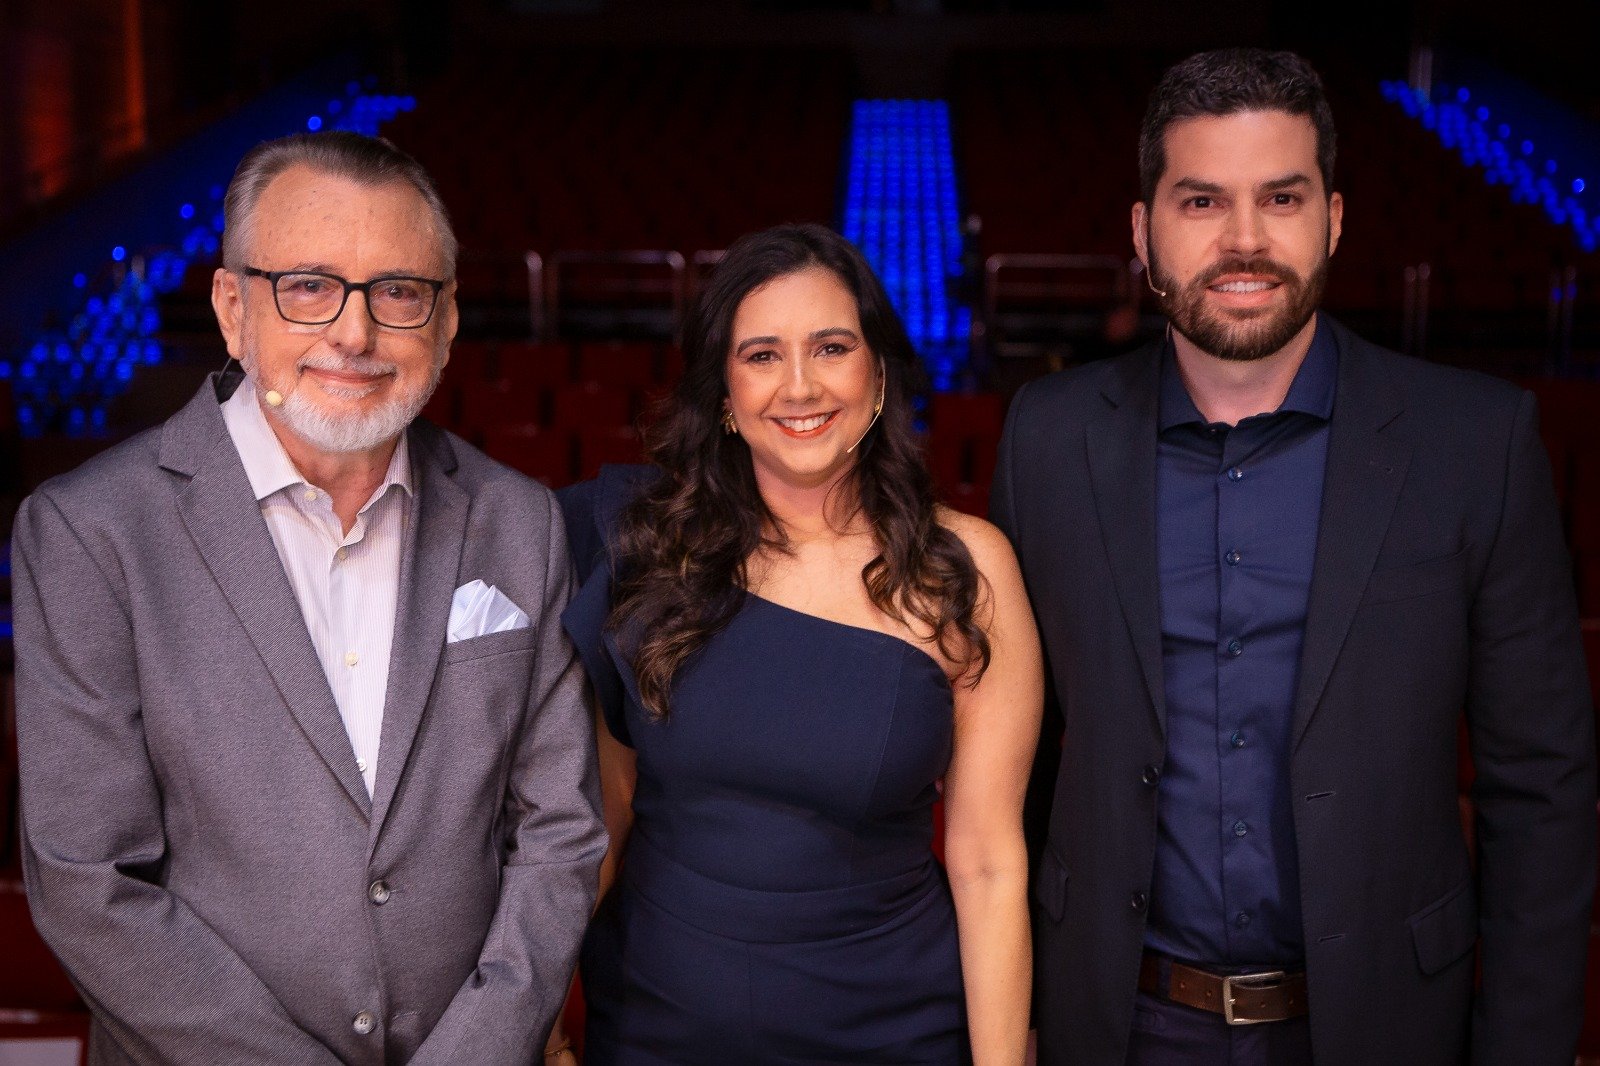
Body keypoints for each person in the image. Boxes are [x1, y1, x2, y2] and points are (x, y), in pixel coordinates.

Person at [993, 49, 1596, 1066]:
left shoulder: (1474, 444)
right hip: (1120, 1025)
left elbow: (1540, 788)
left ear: (1334, 218)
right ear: (1142, 233)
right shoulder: (1045, 439)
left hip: (1383, 1028)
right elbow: (1018, 763)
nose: (1243, 240)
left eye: (1281, 196)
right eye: (1199, 201)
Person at [10, 131, 606, 1064]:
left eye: (398, 292)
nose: (355, 333)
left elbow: (561, 837)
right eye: (307, 285)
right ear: (232, 309)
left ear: (446, 324)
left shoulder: (518, 523)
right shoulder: (90, 533)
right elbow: (90, 882)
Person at [555, 223, 1043, 1064]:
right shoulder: (643, 551)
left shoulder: (964, 569)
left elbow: (990, 863)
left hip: (891, 1031)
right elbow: (604, 815)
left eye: (830, 346)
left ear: (878, 373)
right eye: (762, 355)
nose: (800, 385)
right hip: (657, 1025)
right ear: (723, 396)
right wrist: (538, 1019)